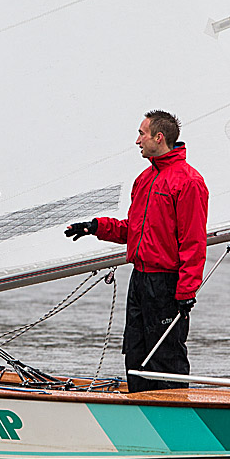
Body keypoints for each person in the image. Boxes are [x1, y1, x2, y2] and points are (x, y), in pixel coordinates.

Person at [65, 110, 208, 392]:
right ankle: (140, 409)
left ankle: (175, 415)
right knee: (136, 353)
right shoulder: (144, 179)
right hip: (140, 279)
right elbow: (135, 230)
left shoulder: (188, 182)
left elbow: (194, 242)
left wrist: (186, 291)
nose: (137, 141)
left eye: (141, 134)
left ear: (159, 137)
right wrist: (95, 227)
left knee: (166, 355)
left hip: (167, 283)